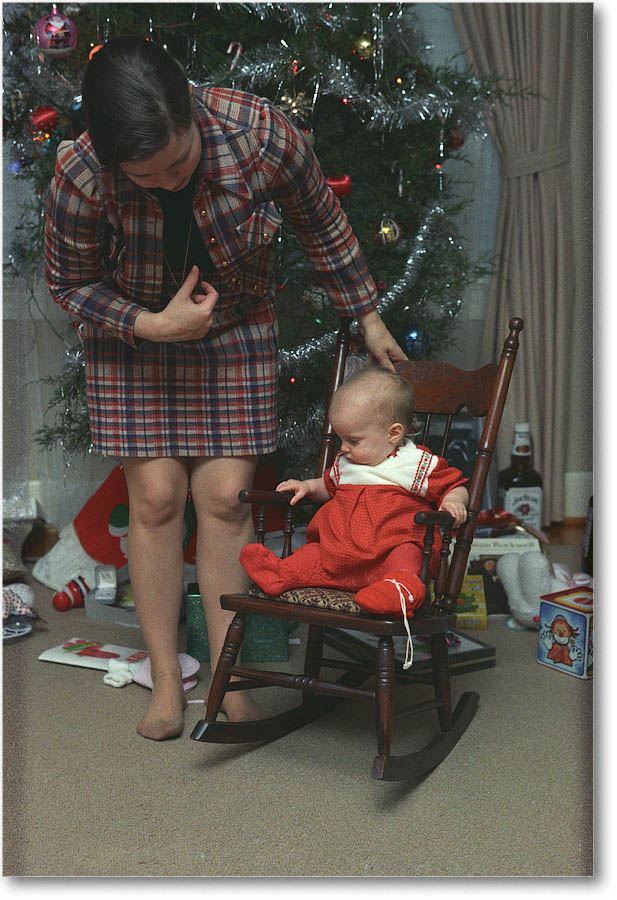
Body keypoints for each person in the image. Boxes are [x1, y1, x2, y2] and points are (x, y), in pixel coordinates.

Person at [44, 36, 407, 739]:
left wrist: (364, 312)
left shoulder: (260, 134)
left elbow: (319, 222)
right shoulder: (80, 173)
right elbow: (70, 282)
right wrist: (150, 325)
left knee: (222, 501)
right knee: (153, 502)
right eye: (147, 179)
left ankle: (227, 679)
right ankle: (165, 682)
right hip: (133, 335)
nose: (169, 183)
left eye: (179, 163)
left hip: (235, 325)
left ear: (191, 113)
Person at [240, 366, 468, 665]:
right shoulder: (346, 461)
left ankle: (398, 590)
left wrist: (453, 502)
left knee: (407, 554)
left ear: (393, 434)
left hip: (386, 555)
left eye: (353, 440)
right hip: (339, 557)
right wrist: (308, 486)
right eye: (340, 439)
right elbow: (328, 486)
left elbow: (454, 484)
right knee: (312, 555)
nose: (344, 448)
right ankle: (281, 574)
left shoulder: (415, 463)